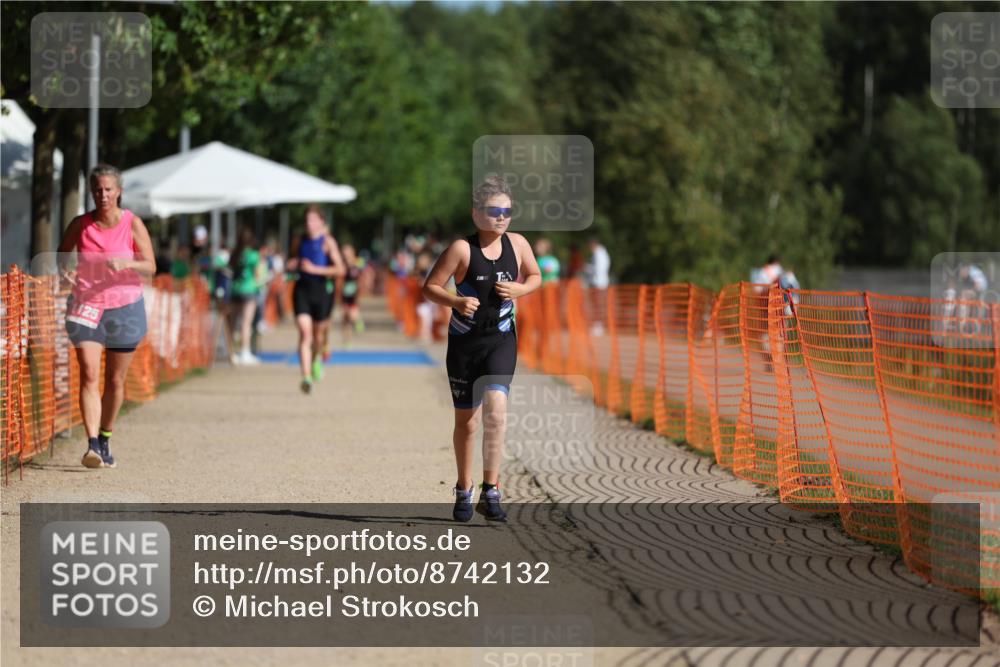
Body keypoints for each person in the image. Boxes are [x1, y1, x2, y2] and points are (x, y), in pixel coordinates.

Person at [422, 175, 542, 523]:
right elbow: (430, 287)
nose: (501, 217)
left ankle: (492, 489)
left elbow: (535, 276)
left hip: (501, 340)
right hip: (464, 343)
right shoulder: (461, 249)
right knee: (468, 423)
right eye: (493, 211)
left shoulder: (518, 244)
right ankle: (464, 487)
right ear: (477, 213)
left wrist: (521, 290)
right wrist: (456, 301)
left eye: (507, 210)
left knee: (496, 411)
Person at [57, 163, 155, 469]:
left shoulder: (132, 223)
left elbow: (151, 266)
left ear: (119, 191)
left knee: (115, 379)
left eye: (108, 189)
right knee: (88, 372)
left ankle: (106, 435)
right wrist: (66, 274)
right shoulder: (80, 224)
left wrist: (127, 265)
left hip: (125, 306)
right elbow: (62, 257)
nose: (102, 194)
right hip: (86, 305)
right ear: (91, 191)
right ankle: (92, 446)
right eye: (97, 189)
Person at [286, 206, 345, 394]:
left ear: (321, 221)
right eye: (307, 220)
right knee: (305, 333)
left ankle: (315, 360)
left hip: (321, 291)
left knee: (318, 337)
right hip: (302, 289)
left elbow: (340, 269)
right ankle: (306, 377)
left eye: (313, 220)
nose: (309, 224)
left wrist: (315, 269)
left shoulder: (327, 242)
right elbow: (291, 261)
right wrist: (292, 265)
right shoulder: (299, 241)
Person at [229, 227, 265, 365]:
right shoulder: (254, 255)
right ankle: (245, 351)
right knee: (246, 323)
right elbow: (257, 274)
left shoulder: (235, 254)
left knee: (232, 323)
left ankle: (231, 351)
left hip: (235, 290)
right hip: (249, 290)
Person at [339, 243, 364, 347]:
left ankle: (358, 321)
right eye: (344, 252)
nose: (346, 254)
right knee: (345, 319)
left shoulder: (358, 262)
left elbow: (362, 275)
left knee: (351, 314)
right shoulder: (342, 263)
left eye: (347, 252)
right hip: (344, 293)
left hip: (354, 292)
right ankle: (347, 340)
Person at [584, 237, 610, 334]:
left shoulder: (599, 254)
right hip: (599, 282)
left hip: (598, 283)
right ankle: (598, 324)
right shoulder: (601, 253)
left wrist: (587, 268)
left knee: (598, 304)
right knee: (597, 304)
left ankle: (598, 325)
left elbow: (598, 269)